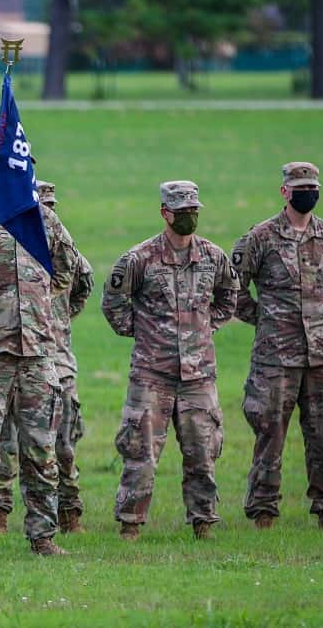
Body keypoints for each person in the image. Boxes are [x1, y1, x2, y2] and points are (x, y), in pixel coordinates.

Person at [102, 181, 237, 541]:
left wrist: (208, 327)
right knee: (141, 454)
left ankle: (204, 523)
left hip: (199, 376)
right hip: (152, 375)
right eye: (182, 212)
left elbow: (230, 294)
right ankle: (130, 525)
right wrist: (142, 334)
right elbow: (114, 302)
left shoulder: (212, 256)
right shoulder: (140, 258)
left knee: (203, 453)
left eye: (194, 211)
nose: (189, 217)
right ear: (165, 213)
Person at [0, 188, 78, 556]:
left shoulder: (45, 221)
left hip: (38, 354)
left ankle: (43, 536)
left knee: (41, 450)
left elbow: (67, 266)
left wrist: (38, 306)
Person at [0, 181, 94, 536]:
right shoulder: (7, 249)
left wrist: (55, 320)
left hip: (55, 359)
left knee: (61, 443)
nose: (46, 213)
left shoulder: (64, 252)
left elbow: (79, 290)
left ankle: (68, 512)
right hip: (11, 352)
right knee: (3, 441)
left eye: (50, 206)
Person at [232, 161, 323, 530]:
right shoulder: (260, 237)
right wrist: (263, 318)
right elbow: (233, 288)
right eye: (300, 187)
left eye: (313, 187)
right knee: (270, 432)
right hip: (276, 357)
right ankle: (263, 511)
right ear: (284, 192)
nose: (308, 192)